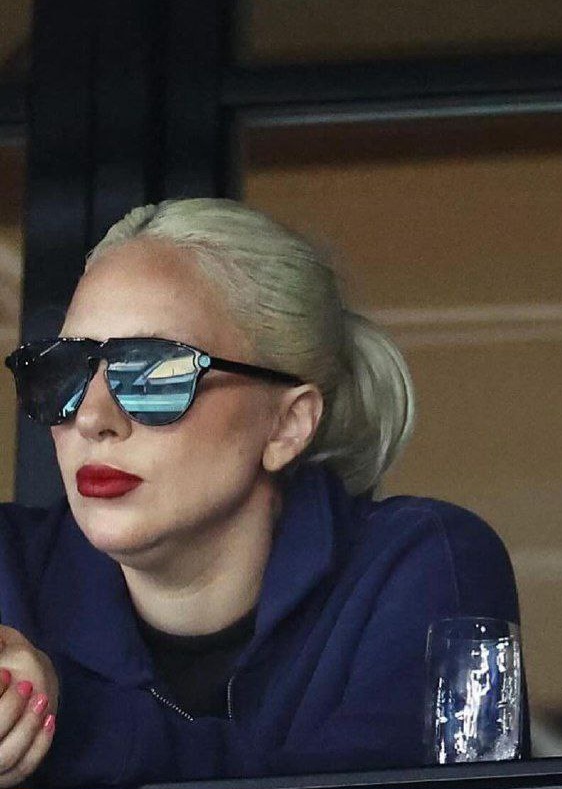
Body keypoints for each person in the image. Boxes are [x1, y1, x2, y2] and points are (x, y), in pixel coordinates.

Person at [0, 198, 521, 786]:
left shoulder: (422, 562)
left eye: (153, 374)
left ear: (287, 425)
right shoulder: (7, 570)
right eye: (63, 373)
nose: (93, 418)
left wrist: (70, 720)